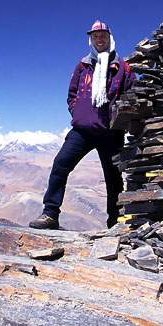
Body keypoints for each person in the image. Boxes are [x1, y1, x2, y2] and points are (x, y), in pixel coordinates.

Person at [29, 20, 135, 230]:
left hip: (110, 132)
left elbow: (132, 94)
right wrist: (78, 112)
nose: (99, 39)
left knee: (113, 178)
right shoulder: (83, 65)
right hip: (82, 130)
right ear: (91, 39)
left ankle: (115, 223)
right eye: (95, 36)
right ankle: (50, 213)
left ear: (110, 37)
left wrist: (119, 117)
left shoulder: (122, 67)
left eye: (103, 35)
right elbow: (72, 94)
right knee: (60, 165)